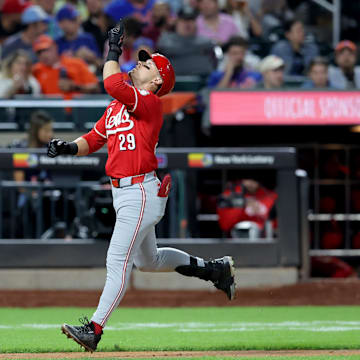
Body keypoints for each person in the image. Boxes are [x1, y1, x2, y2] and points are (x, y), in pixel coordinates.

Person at [49, 20, 235, 352]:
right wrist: (69, 147)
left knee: (116, 260)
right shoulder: (119, 106)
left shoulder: (149, 103)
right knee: (148, 261)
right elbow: (94, 139)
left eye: (147, 64)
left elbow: (110, 82)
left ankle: (94, 329)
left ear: (158, 80)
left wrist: (114, 50)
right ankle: (214, 271)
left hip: (139, 192)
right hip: (125, 191)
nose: (140, 63)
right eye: (141, 60)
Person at [32, 34, 100, 99]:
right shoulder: (36, 70)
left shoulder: (76, 63)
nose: (43, 54)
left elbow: (96, 88)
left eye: (46, 50)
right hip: (51, 109)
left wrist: (74, 87)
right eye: (39, 52)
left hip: (78, 108)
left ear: (55, 47)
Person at [157, 7, 215, 77]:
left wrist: (180, 49)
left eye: (191, 20)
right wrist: (196, 49)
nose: (187, 23)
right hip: (174, 81)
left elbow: (209, 44)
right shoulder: (166, 38)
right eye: (184, 20)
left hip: (202, 78)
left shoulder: (204, 40)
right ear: (177, 22)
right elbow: (167, 49)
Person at [55, 4, 102, 72]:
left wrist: (92, 58)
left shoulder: (88, 38)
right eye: (72, 19)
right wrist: (75, 57)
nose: (77, 21)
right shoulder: (57, 43)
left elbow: (101, 64)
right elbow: (56, 68)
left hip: (90, 76)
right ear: (61, 24)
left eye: (77, 18)